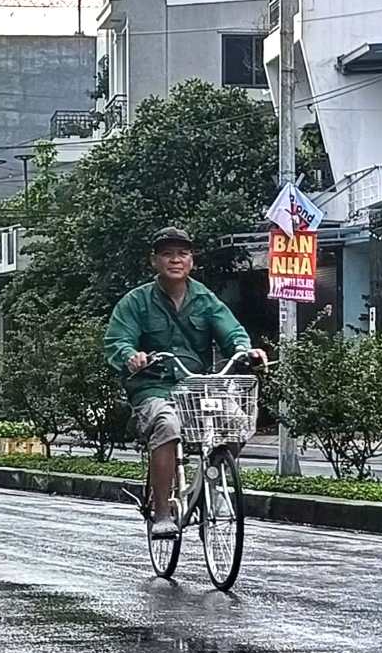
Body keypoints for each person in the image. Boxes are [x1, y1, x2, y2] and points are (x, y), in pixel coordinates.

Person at [104, 227, 266, 538]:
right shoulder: (136, 302)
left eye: (183, 253)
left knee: (236, 421)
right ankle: (163, 513)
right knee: (167, 426)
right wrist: (131, 356)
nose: (175, 260)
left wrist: (246, 350)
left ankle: (207, 487)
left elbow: (232, 332)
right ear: (155, 261)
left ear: (191, 261)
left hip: (197, 386)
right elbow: (118, 341)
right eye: (167, 254)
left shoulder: (205, 299)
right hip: (154, 386)